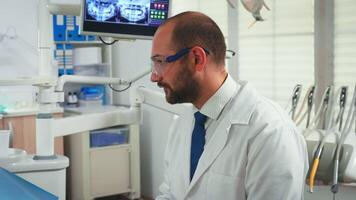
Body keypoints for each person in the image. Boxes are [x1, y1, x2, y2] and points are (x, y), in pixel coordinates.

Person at [150, 11, 309, 200]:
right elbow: (171, 194)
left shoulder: (271, 132)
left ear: (197, 59)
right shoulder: (182, 124)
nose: (154, 77)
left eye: (160, 62)